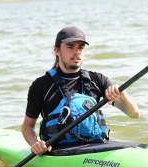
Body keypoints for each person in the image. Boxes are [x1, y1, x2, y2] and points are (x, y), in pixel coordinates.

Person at [22, 26, 140, 156]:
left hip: (95, 147)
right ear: (57, 50)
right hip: (58, 151)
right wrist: (35, 144)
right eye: (70, 47)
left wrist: (122, 95)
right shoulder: (41, 85)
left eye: (81, 47)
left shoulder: (98, 80)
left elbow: (134, 114)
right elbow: (28, 126)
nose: (76, 51)